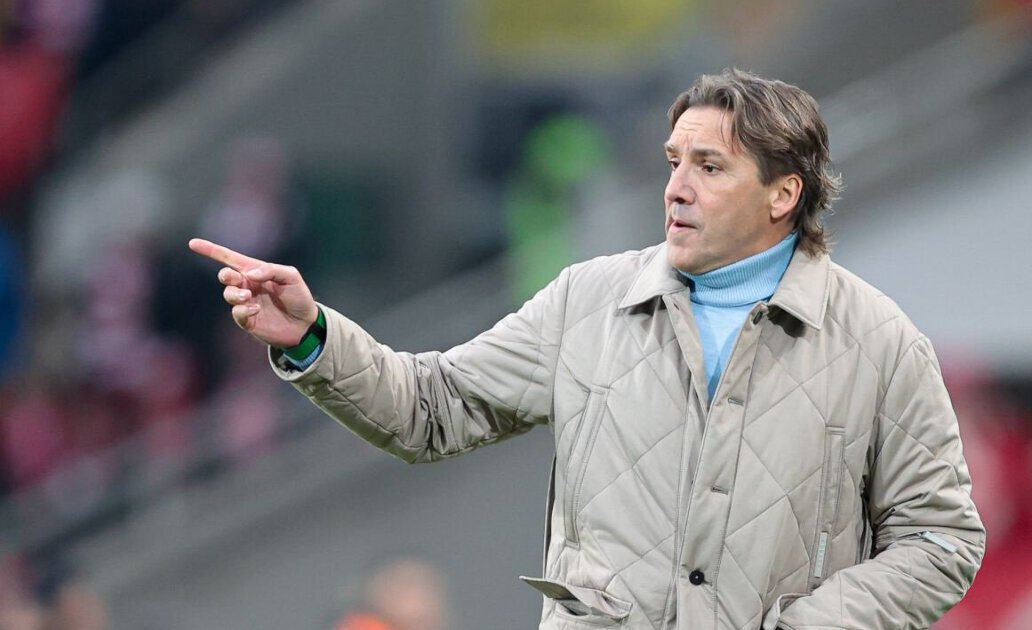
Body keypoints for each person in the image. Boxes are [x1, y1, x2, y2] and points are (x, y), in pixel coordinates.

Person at [190, 69, 985, 629]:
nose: (676, 187)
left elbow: (942, 539)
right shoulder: (587, 301)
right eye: (674, 162)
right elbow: (431, 409)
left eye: (709, 167)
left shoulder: (881, 343)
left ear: (784, 194)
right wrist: (314, 336)